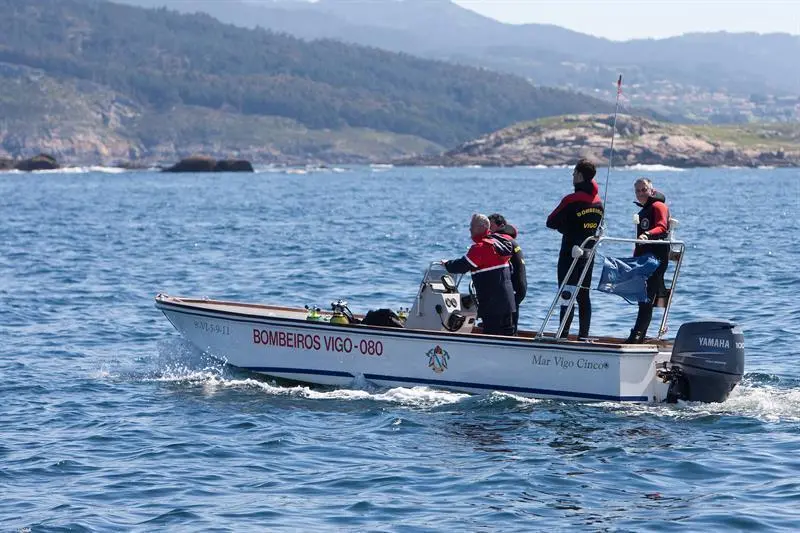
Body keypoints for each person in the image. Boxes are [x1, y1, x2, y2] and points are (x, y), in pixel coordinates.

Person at [546, 159, 604, 339]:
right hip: (589, 254)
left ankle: (563, 334)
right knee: (584, 294)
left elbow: (551, 221)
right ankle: (583, 335)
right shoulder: (598, 202)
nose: (572, 176)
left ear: (579, 175)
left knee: (567, 292)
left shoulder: (571, 200)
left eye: (573, 173)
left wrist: (565, 228)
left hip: (570, 252)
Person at [444, 214, 516, 336]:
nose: (469, 229)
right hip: (508, 303)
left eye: (472, 226)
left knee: (492, 337)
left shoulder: (481, 247)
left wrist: (446, 264)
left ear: (481, 227)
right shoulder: (499, 244)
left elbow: (462, 266)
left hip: (492, 305)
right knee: (507, 335)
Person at [626, 178, 671, 343]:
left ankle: (637, 336)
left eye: (644, 189)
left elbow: (662, 226)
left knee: (646, 299)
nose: (640, 193)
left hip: (656, 259)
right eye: (637, 191)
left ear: (652, 190)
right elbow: (639, 243)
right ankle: (638, 335)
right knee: (643, 299)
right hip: (644, 260)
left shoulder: (659, 206)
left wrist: (648, 234)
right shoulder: (643, 211)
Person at [488, 213, 527, 333]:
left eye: (491, 225)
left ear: (501, 226)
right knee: (512, 318)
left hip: (513, 287)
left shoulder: (502, 241)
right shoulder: (510, 240)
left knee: (507, 323)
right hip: (520, 286)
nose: (488, 229)